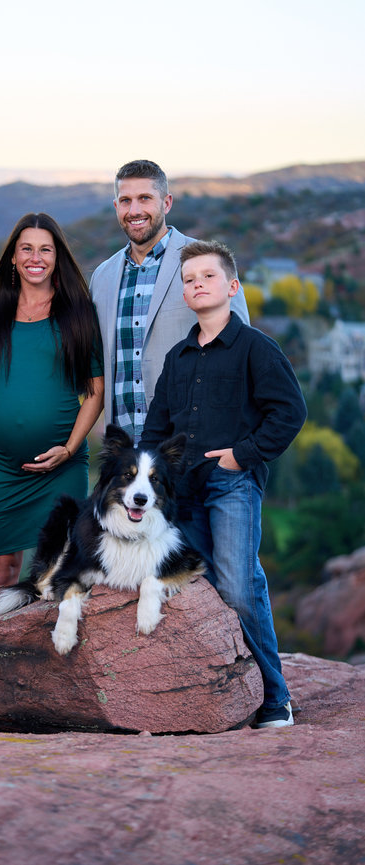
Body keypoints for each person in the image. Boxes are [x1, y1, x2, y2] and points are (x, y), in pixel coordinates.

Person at [140, 240, 307, 728]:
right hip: (182, 493)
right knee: (203, 589)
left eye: (207, 277)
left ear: (232, 287)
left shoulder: (255, 347)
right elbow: (155, 430)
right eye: (189, 280)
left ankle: (275, 699)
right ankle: (230, 696)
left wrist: (243, 455)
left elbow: (289, 412)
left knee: (238, 584)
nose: (197, 285)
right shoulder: (178, 357)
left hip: (232, 484)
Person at [0, 212, 104, 589]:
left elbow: (95, 392)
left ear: (57, 256)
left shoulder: (78, 313)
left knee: (62, 566)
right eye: (26, 248)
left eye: (45, 249)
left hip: (61, 466)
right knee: (0, 573)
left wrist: (69, 448)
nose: (36, 257)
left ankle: (55, 645)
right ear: (13, 257)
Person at [90, 159, 250, 445]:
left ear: (166, 202)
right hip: (128, 458)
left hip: (195, 449)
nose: (134, 210)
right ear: (116, 207)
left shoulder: (207, 264)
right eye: (125, 200)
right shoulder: (102, 278)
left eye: (145, 199)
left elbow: (241, 352)